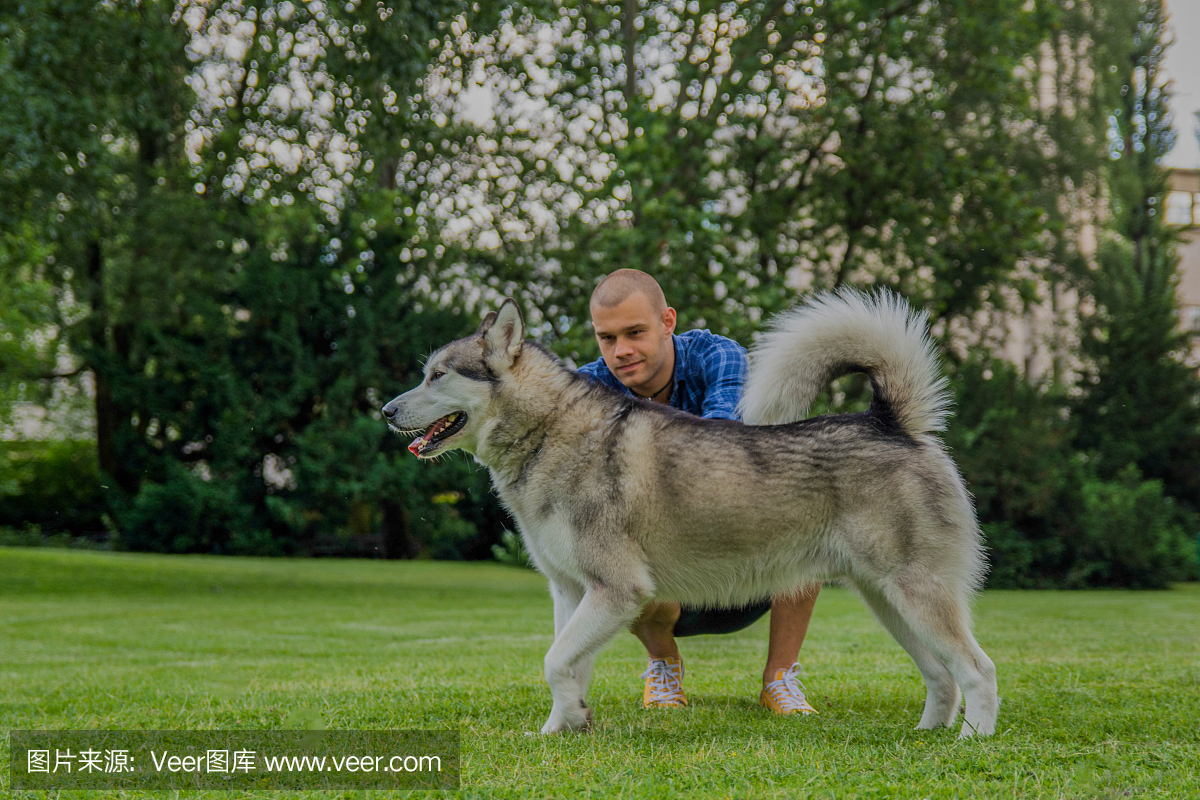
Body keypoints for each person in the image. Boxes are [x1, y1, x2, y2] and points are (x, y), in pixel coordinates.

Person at [576, 268, 821, 716]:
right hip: (661, 583)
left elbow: (715, 454)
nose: (621, 351)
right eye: (606, 338)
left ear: (668, 322)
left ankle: (779, 679)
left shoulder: (718, 356)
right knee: (619, 549)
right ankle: (663, 663)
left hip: (748, 568)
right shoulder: (588, 388)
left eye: (635, 332)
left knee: (807, 520)